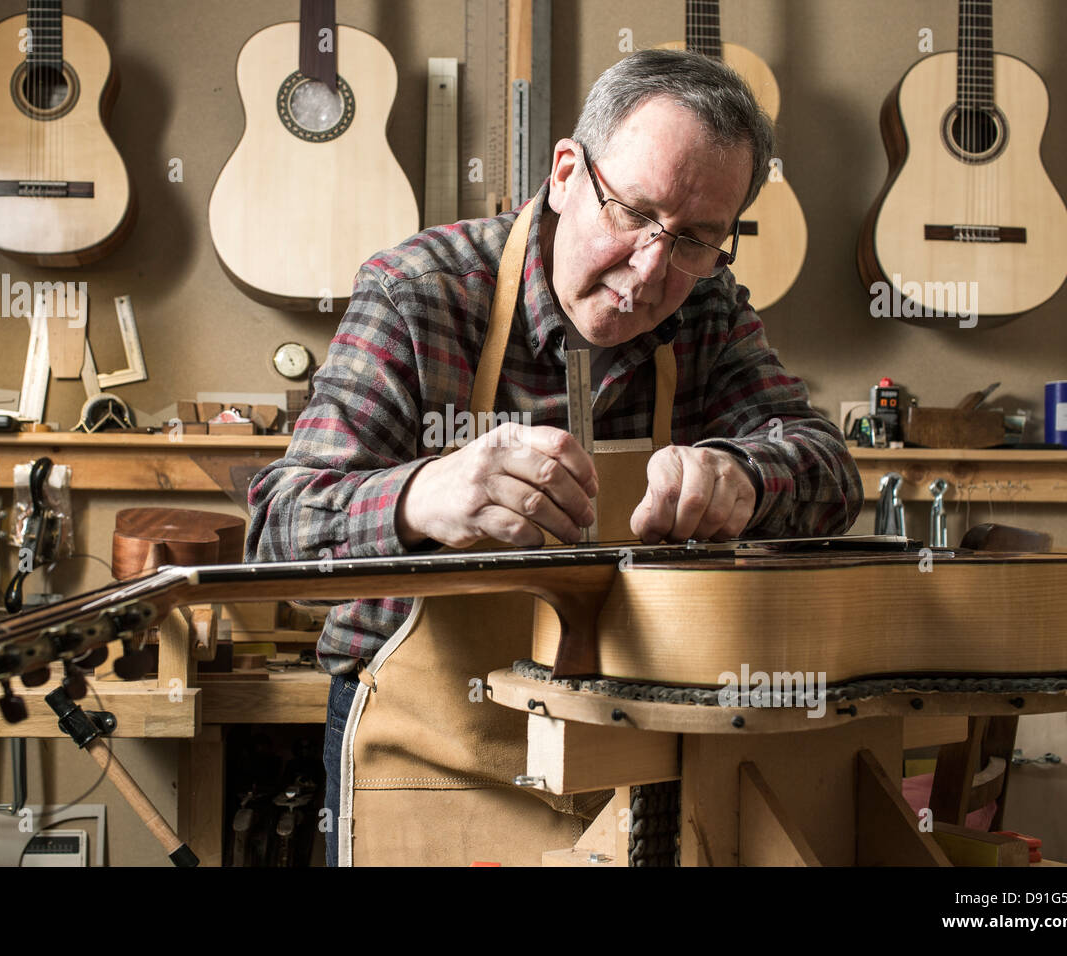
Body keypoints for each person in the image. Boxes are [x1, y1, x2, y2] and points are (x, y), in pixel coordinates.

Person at [246, 49, 863, 865]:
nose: (648, 272)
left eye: (695, 240)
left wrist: (746, 479)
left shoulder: (708, 308)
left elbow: (830, 472)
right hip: (430, 758)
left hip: (634, 760)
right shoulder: (419, 293)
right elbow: (277, 531)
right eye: (633, 214)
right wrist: (421, 498)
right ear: (567, 172)